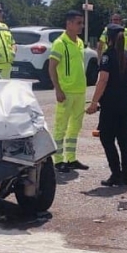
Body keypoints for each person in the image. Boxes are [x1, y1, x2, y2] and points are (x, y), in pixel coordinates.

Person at [87, 24, 127, 187]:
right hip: (125, 102)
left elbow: (102, 80)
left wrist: (94, 102)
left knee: (107, 138)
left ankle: (116, 173)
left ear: (109, 38)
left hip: (110, 104)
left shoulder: (107, 56)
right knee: (124, 140)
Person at [49, 11, 90, 173]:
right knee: (61, 127)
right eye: (78, 23)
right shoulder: (60, 43)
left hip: (80, 91)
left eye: (82, 22)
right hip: (66, 92)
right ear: (69, 24)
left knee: (75, 126)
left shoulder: (79, 42)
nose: (82, 26)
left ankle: (71, 158)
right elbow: (51, 67)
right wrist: (58, 89)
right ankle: (58, 161)